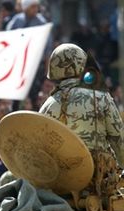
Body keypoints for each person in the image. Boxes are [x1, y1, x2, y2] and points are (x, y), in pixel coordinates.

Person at [39, 43, 124, 198]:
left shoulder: (47, 105)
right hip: (98, 184)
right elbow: (118, 139)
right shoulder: (100, 97)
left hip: (61, 188)